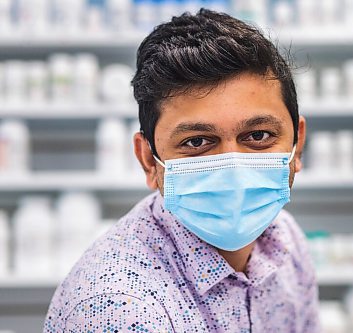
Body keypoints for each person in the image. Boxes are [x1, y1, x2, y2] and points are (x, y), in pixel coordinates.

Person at [44, 9, 319, 332]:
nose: (233, 167)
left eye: (258, 136)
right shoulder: (120, 312)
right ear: (149, 160)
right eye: (198, 141)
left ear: (296, 145)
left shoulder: (285, 240)